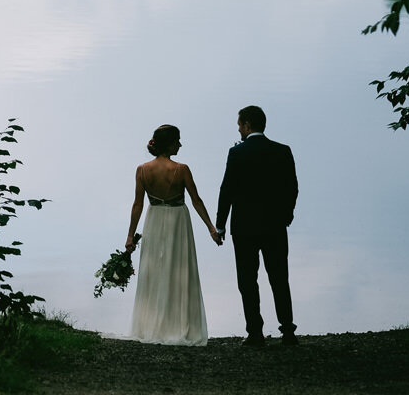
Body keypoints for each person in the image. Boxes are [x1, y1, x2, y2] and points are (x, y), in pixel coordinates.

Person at [126, 124, 222, 345]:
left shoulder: (142, 169)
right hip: (178, 220)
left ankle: (151, 325)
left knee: (155, 271)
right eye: (177, 140)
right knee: (179, 271)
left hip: (153, 220)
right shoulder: (181, 169)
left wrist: (130, 236)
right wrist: (210, 228)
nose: (180, 144)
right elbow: (196, 200)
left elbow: (137, 205)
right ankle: (177, 325)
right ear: (169, 144)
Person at [215, 105, 299, 346]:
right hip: (275, 226)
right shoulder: (282, 151)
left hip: (244, 228)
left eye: (240, 125)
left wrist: (220, 225)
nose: (239, 129)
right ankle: (288, 331)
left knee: (247, 280)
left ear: (248, 125)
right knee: (279, 278)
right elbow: (291, 187)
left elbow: (226, 190)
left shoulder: (236, 153)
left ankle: (255, 332)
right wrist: (287, 215)